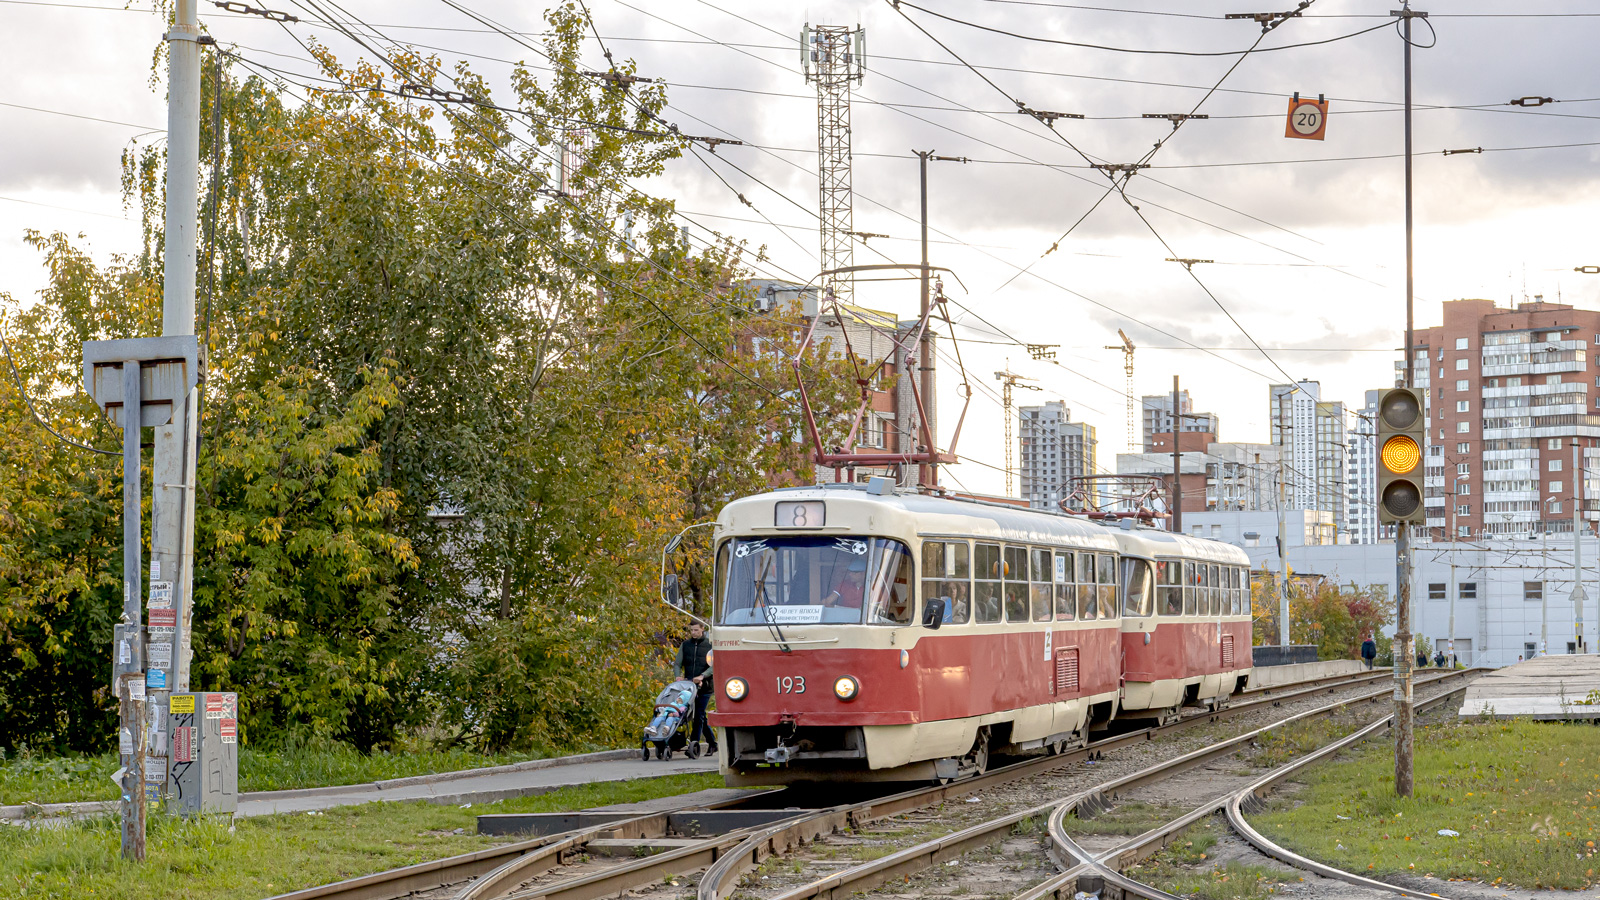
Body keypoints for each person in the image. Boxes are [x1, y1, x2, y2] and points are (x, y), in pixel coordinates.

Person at [675, 621, 716, 755]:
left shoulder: (710, 646)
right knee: (698, 716)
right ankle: (712, 744)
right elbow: (677, 664)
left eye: (696, 630)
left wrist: (703, 676)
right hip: (689, 686)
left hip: (705, 686)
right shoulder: (685, 645)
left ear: (703, 629)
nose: (693, 633)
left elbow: (714, 665)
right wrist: (678, 676)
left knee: (698, 715)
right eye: (691, 630)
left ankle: (694, 745)